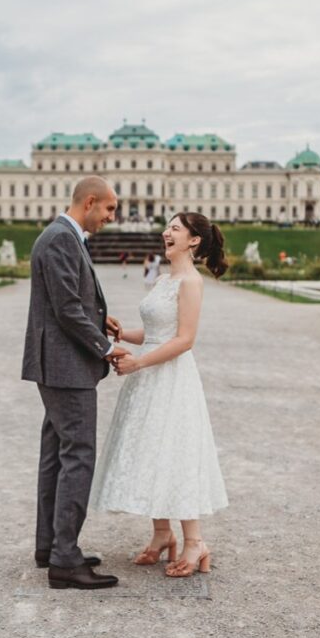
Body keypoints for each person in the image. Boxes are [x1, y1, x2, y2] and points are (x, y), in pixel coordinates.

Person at [90, 211, 229, 578]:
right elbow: (156, 331)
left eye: (175, 228)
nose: (166, 232)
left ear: (194, 240)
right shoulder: (167, 279)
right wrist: (120, 333)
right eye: (167, 227)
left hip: (170, 377)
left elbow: (184, 340)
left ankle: (195, 541)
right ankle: (162, 535)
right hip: (150, 374)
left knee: (176, 451)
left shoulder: (190, 282)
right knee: (153, 451)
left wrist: (139, 363)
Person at [21, 176, 129, 591]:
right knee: (78, 454)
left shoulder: (61, 236)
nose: (111, 217)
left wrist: (101, 319)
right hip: (66, 368)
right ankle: (65, 559)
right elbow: (66, 308)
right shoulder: (62, 239)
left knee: (57, 451)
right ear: (89, 202)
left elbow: (65, 300)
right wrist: (105, 347)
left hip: (56, 364)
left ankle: (50, 545)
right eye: (109, 209)